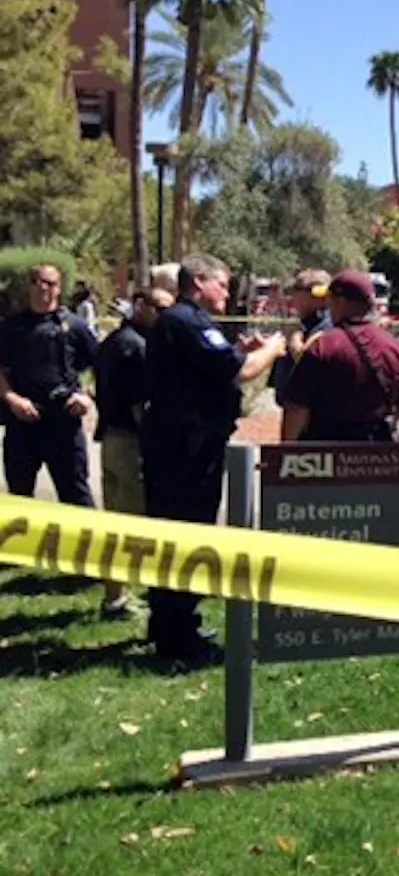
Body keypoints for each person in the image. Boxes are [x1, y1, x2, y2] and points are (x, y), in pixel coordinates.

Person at [141, 253, 285, 664]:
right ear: (200, 282)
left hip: (181, 446)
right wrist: (272, 350)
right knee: (187, 536)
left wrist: (238, 350)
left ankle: (174, 624)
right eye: (222, 284)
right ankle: (177, 637)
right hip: (187, 451)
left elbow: (210, 366)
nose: (226, 292)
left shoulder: (186, 323)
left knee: (178, 536)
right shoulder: (188, 321)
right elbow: (240, 372)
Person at [92, 288, 173, 620]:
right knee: (131, 526)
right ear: (140, 306)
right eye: (160, 309)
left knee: (115, 522)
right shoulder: (137, 347)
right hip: (131, 443)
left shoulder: (113, 340)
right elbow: (140, 407)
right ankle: (122, 600)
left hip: (111, 438)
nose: (165, 317)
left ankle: (116, 594)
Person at [281, 269, 399, 442]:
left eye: (330, 299)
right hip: (376, 449)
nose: (327, 305)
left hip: (325, 447)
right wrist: (384, 417)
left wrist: (286, 449)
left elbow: (296, 408)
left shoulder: (322, 346)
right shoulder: (396, 348)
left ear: (340, 302)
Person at [0, 263, 99, 507]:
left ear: (59, 288)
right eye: (37, 282)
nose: (43, 288)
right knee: (20, 499)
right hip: (23, 422)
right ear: (29, 287)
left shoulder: (74, 326)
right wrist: (12, 398)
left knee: (77, 498)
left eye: (50, 283)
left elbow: (102, 365)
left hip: (64, 422)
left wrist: (87, 396)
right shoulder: (11, 327)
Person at [270, 269, 332, 407]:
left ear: (317, 293)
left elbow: (309, 363)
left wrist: (293, 342)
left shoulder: (328, 325)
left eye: (297, 290)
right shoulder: (306, 323)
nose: (292, 296)